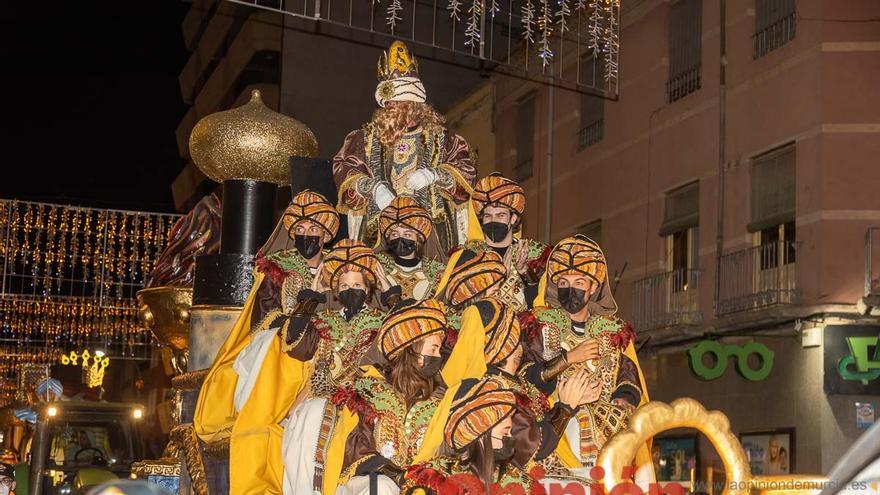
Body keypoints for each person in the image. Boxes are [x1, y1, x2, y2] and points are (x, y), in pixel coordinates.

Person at [328, 299, 483, 495]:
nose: (439, 356)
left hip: (420, 487)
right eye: (433, 349)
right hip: (370, 482)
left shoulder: (442, 400)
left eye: (439, 350)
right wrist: (397, 475)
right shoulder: (370, 393)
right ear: (411, 349)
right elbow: (354, 450)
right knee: (382, 487)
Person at [280, 240, 398, 495]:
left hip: (366, 403)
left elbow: (405, 338)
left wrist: (393, 298)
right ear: (335, 292)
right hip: (319, 396)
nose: (350, 290)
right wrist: (309, 301)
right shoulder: (325, 321)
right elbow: (294, 344)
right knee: (308, 417)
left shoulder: (381, 322)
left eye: (357, 285)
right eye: (344, 286)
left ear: (368, 290)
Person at [333, 40, 476, 252]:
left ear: (414, 105)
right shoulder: (363, 139)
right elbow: (344, 171)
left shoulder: (445, 140)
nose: (390, 110)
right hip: (379, 234)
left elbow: (466, 174)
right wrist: (374, 188)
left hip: (429, 237)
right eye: (388, 105)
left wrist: (434, 175)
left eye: (397, 105)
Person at [531, 235, 652, 482]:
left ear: (593, 287)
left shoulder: (611, 332)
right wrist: (568, 359)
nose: (570, 288)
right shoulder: (539, 327)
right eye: (563, 282)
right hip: (556, 432)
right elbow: (529, 376)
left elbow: (628, 375)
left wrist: (623, 400)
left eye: (578, 281)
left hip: (606, 436)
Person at [401, 377, 544, 494]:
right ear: (480, 435)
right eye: (505, 432)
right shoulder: (435, 479)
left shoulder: (523, 485)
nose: (511, 438)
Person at [439, 174, 550, 312]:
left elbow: (542, 309)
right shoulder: (468, 257)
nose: (493, 221)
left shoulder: (536, 254)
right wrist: (496, 277)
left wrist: (525, 273)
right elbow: (456, 307)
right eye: (488, 216)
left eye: (500, 215)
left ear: (513, 218)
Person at [374, 197, 446, 301]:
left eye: (407, 234)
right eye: (395, 234)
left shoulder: (436, 271)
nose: (400, 238)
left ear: (418, 239)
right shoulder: (377, 265)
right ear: (388, 238)